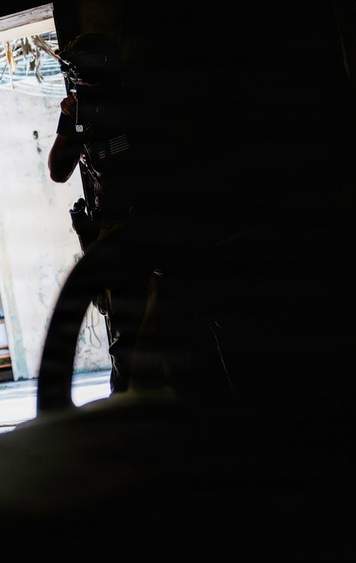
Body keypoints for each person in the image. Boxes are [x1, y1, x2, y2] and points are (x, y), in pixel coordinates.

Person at [48, 33, 230, 399]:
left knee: (187, 318)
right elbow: (58, 170)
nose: (81, 81)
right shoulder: (80, 110)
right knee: (126, 332)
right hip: (114, 227)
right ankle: (131, 406)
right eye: (76, 74)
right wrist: (73, 124)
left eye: (86, 72)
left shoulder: (139, 97)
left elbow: (172, 153)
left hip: (158, 221)